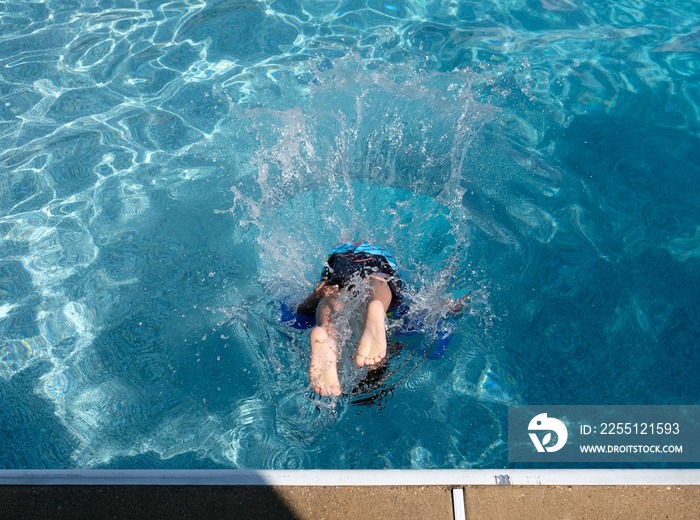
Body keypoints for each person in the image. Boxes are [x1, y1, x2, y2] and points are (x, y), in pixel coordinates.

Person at [296, 240, 404, 396]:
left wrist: (315, 297)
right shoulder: (396, 329)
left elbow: (302, 311)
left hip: (365, 258)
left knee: (364, 286)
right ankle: (327, 330)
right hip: (348, 259)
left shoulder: (392, 336)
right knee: (336, 294)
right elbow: (302, 311)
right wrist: (315, 298)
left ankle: (374, 305)